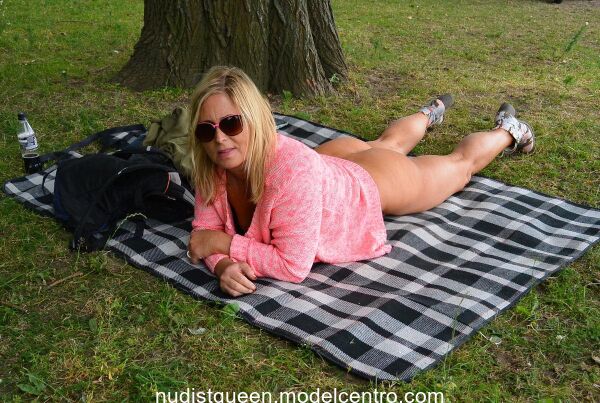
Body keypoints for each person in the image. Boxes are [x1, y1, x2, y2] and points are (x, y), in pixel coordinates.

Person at [187, 66, 534, 297]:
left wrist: (222, 244)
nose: (219, 139)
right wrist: (224, 264)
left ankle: (509, 130)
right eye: (206, 129)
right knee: (387, 143)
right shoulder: (213, 164)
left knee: (458, 168)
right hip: (325, 164)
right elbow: (203, 234)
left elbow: (291, 265)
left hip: (368, 184)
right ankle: (428, 114)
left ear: (257, 120)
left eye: (232, 124)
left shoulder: (290, 170)